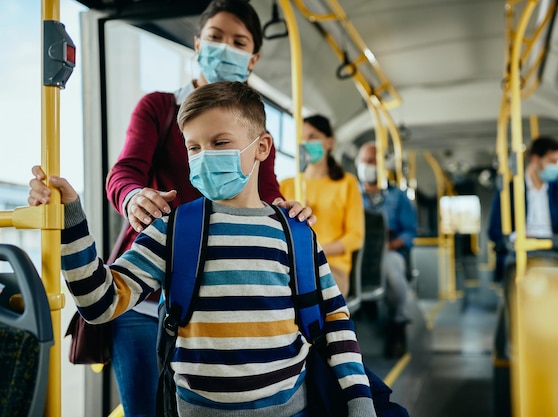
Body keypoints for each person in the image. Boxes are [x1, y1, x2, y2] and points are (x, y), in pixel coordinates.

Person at [29, 81, 377, 417]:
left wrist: (359, 401)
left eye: (220, 142)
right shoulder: (173, 230)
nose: (205, 157)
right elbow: (99, 303)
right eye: (194, 148)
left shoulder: (296, 234)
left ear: (262, 147)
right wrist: (72, 217)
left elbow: (335, 322)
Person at [101, 1, 316, 415]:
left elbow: (266, 192)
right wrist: (133, 197)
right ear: (197, 43)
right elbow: (125, 172)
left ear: (252, 59)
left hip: (214, 293)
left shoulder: (254, 129)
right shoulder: (159, 108)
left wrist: (291, 221)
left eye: (238, 42)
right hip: (145, 294)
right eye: (215, 37)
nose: (225, 47)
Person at [279, 115, 364, 297]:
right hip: (290, 264)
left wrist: (314, 251)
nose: (305, 142)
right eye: (302, 137)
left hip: (332, 266)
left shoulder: (346, 183)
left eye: (313, 137)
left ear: (329, 142)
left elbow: (355, 237)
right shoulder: (286, 185)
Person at [487, 136, 558, 281]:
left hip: (555, 248)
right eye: (552, 161)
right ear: (535, 159)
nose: (556, 167)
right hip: (522, 250)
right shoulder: (508, 191)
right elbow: (495, 231)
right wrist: (519, 238)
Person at [355, 141, 417, 358]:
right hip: (358, 252)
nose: (366, 165)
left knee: (391, 270)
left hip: (389, 250)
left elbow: (409, 232)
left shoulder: (398, 196)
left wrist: (388, 244)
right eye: (363, 161)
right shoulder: (351, 194)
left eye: (371, 161)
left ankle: (398, 323)